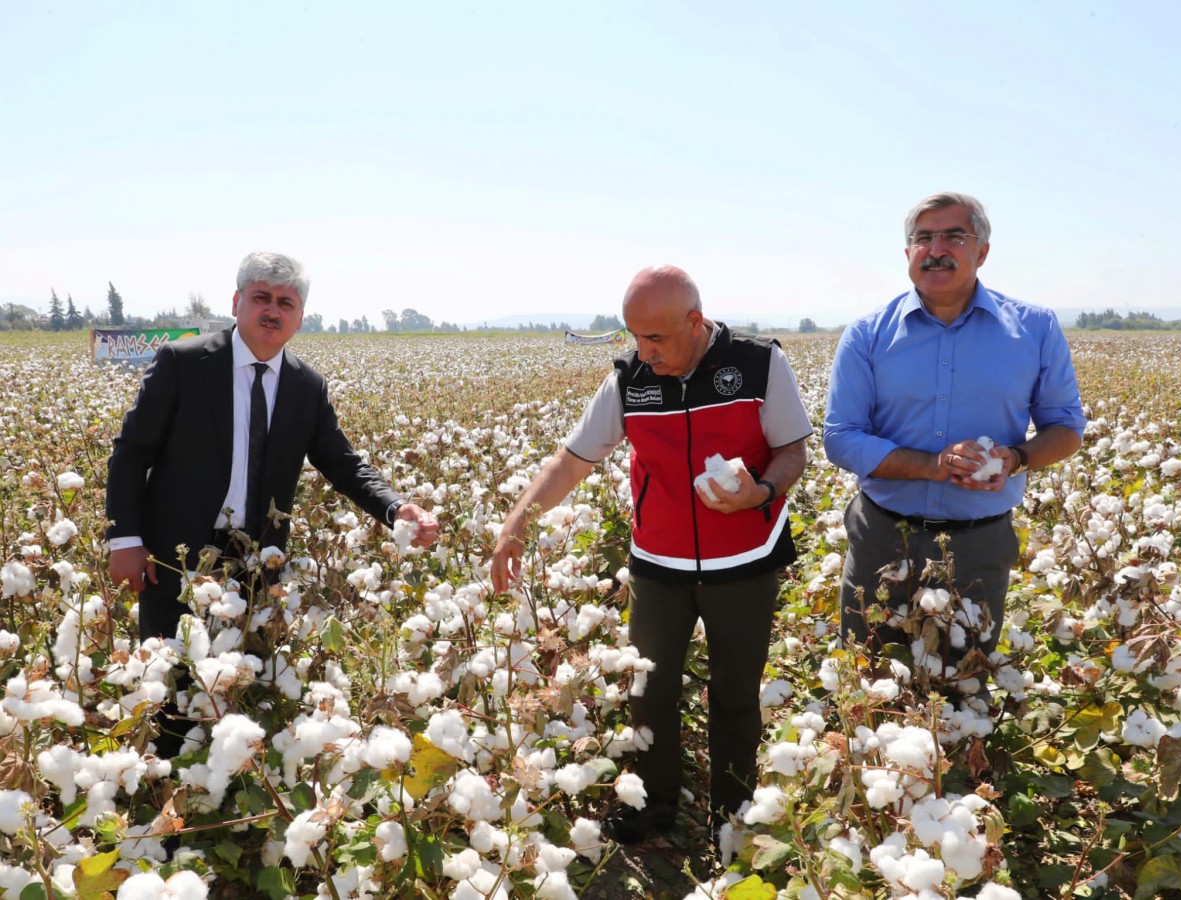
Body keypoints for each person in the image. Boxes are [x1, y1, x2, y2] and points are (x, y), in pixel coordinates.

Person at [490, 265, 812, 843]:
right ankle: (654, 803)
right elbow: (570, 463)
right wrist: (517, 525)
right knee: (648, 691)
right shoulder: (628, 381)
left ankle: (733, 817)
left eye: (656, 338)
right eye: (634, 337)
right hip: (658, 568)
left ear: (695, 322)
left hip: (746, 563)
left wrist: (761, 492)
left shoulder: (761, 365)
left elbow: (793, 451)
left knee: (736, 696)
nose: (644, 351)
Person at [106, 252, 438, 642]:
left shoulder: (307, 386)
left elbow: (342, 463)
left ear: (300, 317)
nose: (272, 311)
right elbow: (131, 452)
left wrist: (395, 506)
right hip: (175, 552)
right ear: (236, 303)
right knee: (170, 673)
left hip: (259, 558)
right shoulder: (183, 363)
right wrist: (125, 540)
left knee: (246, 676)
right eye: (261, 298)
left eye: (286, 303)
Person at [824, 191, 1086, 676]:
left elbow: (1066, 427)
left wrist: (1016, 458)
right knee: (867, 676)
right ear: (908, 254)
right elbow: (840, 437)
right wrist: (932, 465)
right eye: (923, 238)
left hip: (978, 544)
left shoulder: (1034, 328)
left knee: (962, 684)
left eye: (953, 236)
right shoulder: (867, 334)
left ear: (982, 251)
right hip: (883, 535)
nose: (936, 248)